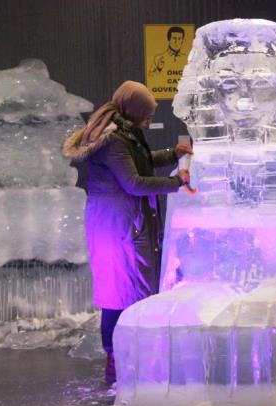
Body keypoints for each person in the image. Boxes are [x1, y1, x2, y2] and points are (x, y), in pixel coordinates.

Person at [63, 81, 193, 384]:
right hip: (116, 225)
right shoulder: (113, 140)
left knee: (129, 291)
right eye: (146, 114)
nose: (149, 119)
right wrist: (176, 184)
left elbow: (140, 164)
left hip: (124, 221)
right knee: (118, 294)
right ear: (133, 111)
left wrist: (172, 154)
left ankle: (130, 355)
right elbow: (134, 182)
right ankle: (114, 358)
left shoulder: (125, 134)